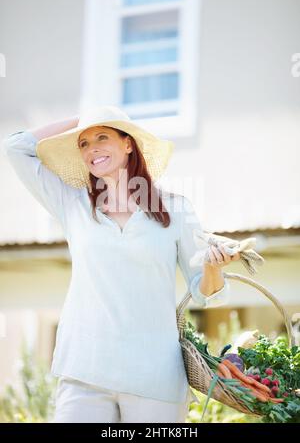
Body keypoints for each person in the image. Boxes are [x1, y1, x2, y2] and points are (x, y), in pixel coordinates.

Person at [2, 105, 240, 423]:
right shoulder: (71, 205)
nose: (92, 148)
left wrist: (213, 268)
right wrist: (82, 120)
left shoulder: (175, 210)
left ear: (128, 143)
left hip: (155, 378)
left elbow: (206, 292)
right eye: (83, 143)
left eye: (103, 136)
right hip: (84, 374)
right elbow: (16, 147)